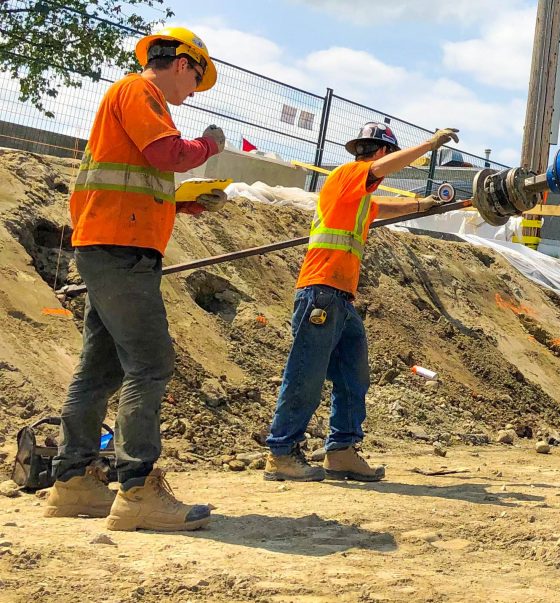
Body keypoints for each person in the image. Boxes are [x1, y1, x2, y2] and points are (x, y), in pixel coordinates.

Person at [43, 27, 226, 532]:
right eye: (196, 80)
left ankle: (74, 483)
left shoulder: (137, 102)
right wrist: (209, 144)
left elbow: (137, 178)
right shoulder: (138, 91)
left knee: (99, 370)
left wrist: (185, 201)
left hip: (111, 243)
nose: (192, 92)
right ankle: (138, 489)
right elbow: (167, 156)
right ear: (183, 64)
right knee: (150, 362)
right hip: (120, 251)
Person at [263, 122, 459, 482]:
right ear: (381, 152)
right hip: (320, 292)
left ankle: (341, 451)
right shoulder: (347, 175)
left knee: (354, 372)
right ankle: (281, 452)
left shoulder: (358, 197)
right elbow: (381, 173)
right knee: (306, 373)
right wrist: (430, 145)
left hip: (339, 298)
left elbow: (383, 207)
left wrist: (424, 204)